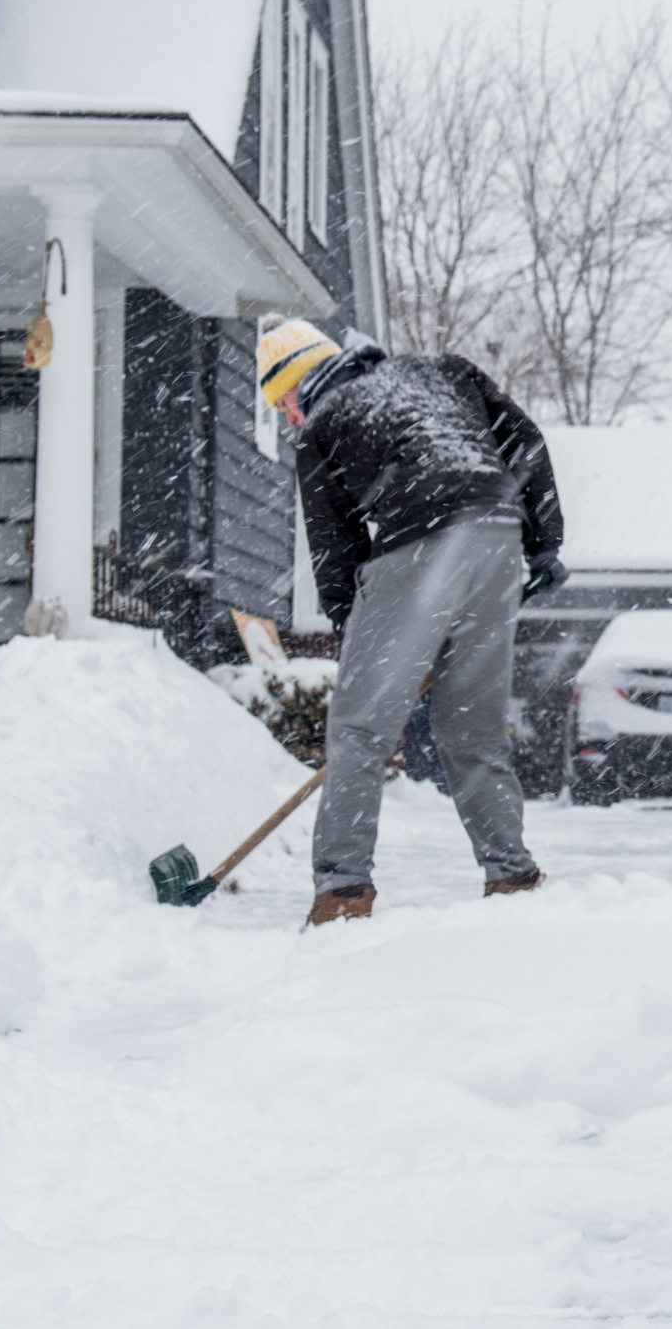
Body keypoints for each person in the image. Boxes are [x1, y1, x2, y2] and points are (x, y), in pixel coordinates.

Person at [256, 316, 570, 927]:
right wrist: (544, 544)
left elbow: (334, 548)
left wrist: (358, 636)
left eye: (283, 402)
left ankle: (342, 892)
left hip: (418, 546)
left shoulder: (322, 424)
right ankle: (512, 877)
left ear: (299, 385)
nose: (289, 418)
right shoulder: (443, 370)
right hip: (497, 538)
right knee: (473, 730)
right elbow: (525, 443)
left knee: (359, 731)